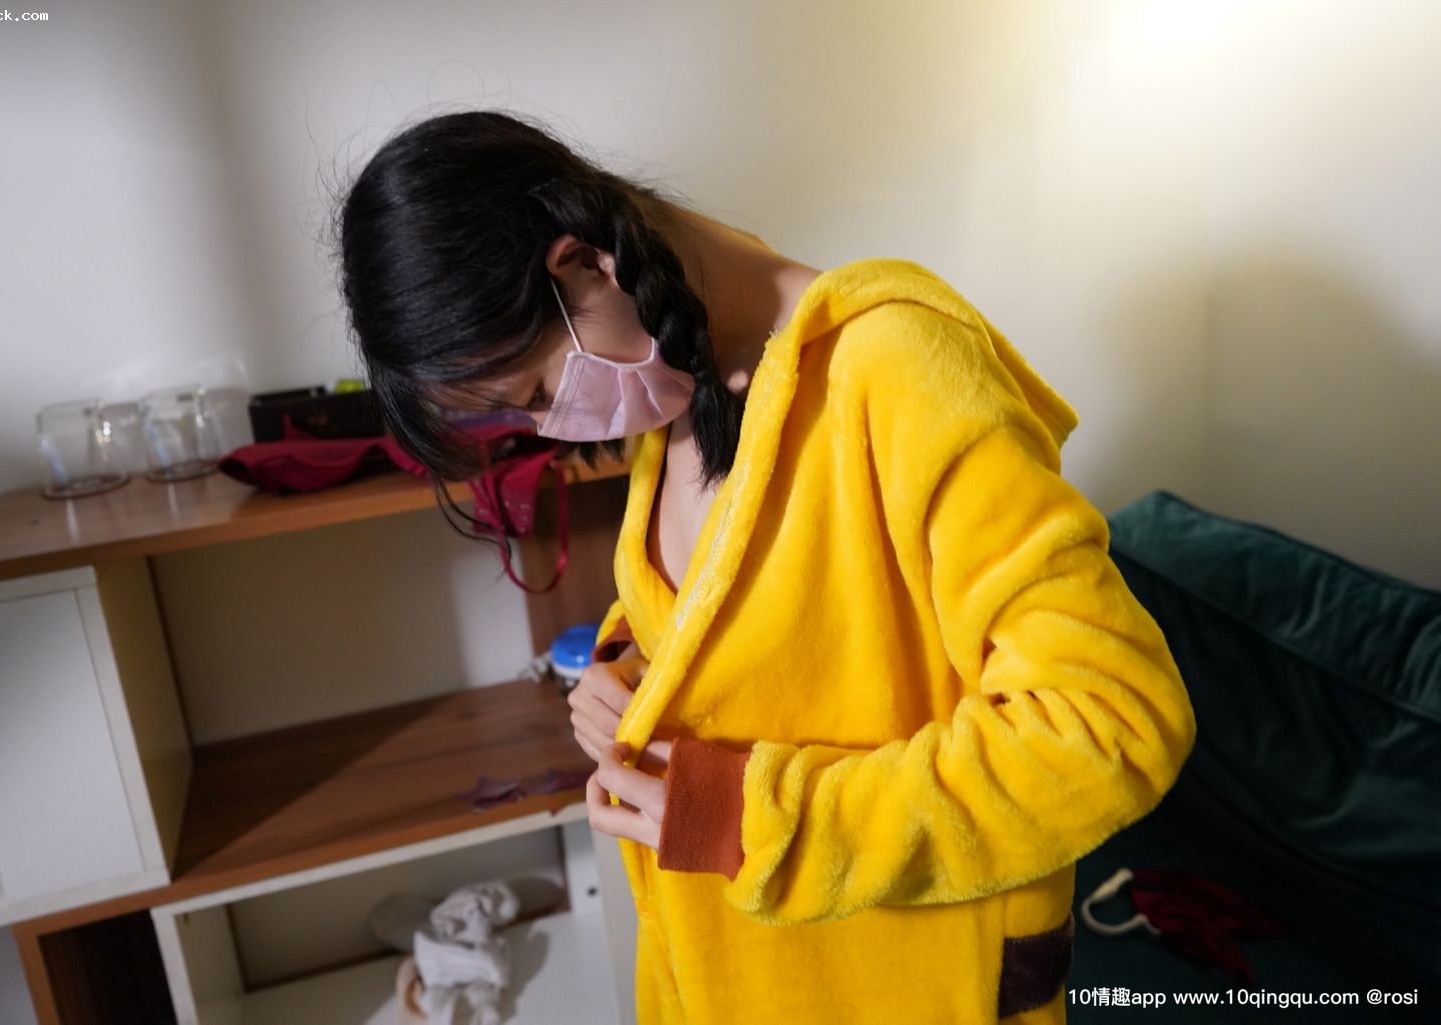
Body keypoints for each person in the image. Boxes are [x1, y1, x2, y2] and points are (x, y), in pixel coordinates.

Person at [337, 109, 1197, 1025]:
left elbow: (1112, 720)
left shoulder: (895, 370)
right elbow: (752, 614)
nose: (551, 428)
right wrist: (629, 664)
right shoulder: (679, 382)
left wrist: (759, 822)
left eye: (538, 392)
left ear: (583, 264)